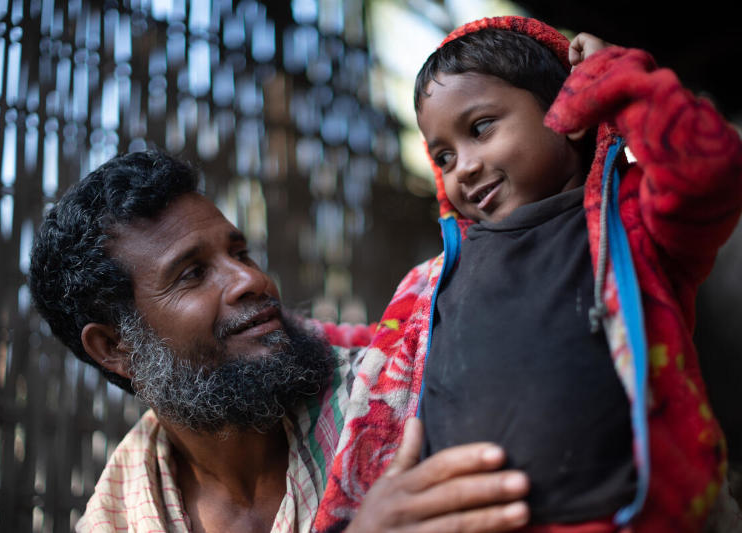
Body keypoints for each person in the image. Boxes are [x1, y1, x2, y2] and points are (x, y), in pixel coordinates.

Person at [315, 16, 742, 533]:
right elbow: (375, 358)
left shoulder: (632, 222)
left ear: (571, 114)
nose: (464, 168)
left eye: (480, 128)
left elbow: (708, 168)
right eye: (444, 156)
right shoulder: (434, 280)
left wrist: (615, 78)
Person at [28, 150, 533, 532]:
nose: (252, 281)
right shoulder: (120, 518)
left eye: (241, 254)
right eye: (192, 274)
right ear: (115, 348)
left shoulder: (402, 391)